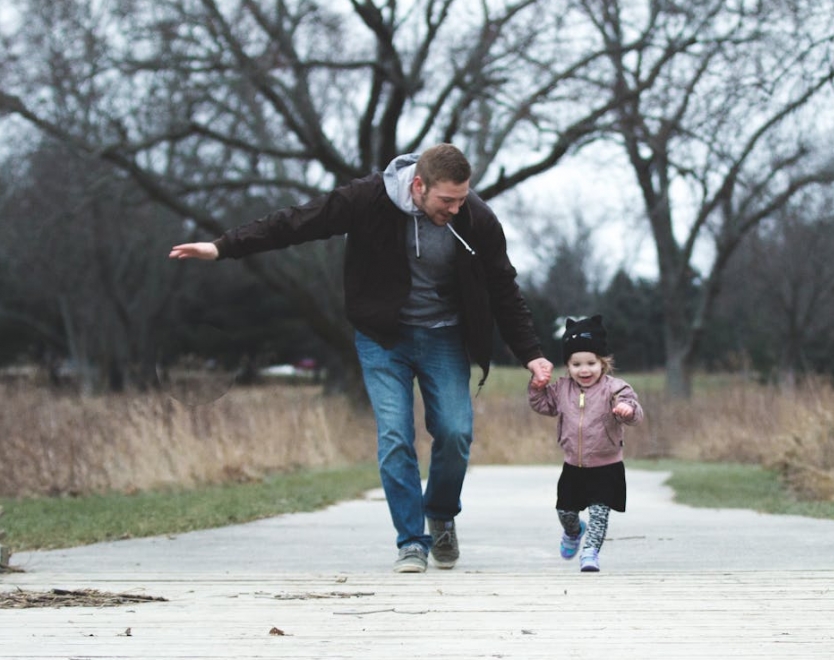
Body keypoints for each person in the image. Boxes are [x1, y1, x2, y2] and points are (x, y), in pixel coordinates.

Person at [169, 144, 553, 573]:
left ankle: (441, 514)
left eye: (462, 198)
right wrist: (223, 247)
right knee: (395, 437)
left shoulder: (475, 218)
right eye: (447, 200)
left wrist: (532, 355)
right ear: (418, 185)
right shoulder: (367, 198)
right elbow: (297, 222)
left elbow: (504, 287)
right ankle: (411, 541)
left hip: (443, 336)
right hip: (382, 337)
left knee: (455, 432)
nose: (455, 208)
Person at [528, 315, 643, 572]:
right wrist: (536, 388)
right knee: (566, 513)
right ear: (567, 366)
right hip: (573, 466)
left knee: (600, 515)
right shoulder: (561, 389)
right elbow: (542, 405)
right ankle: (573, 531)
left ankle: (590, 554)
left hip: (607, 466)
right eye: (576, 364)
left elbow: (635, 411)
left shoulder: (615, 389)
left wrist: (627, 409)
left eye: (591, 363)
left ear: (603, 362)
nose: (584, 370)